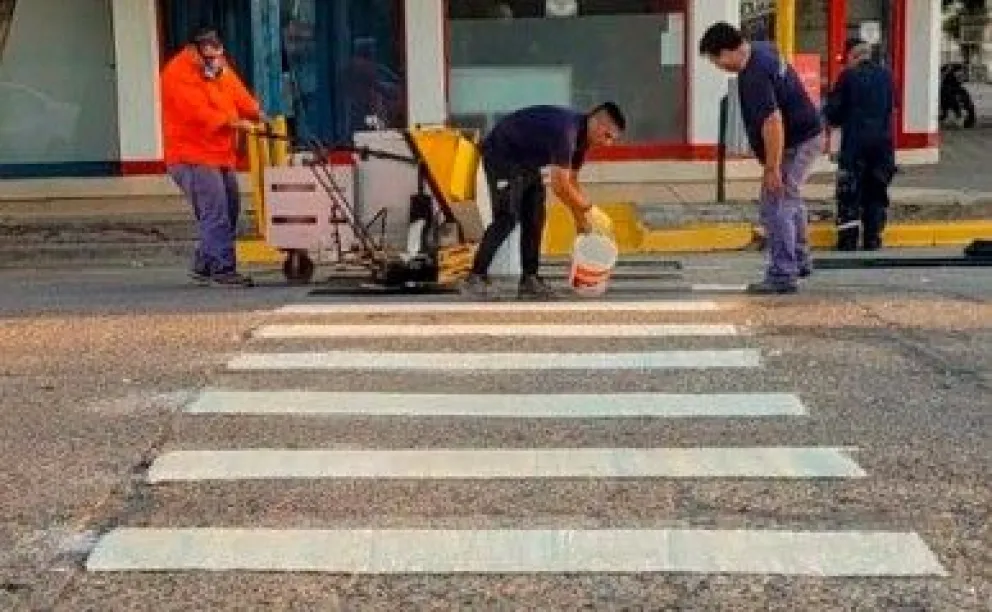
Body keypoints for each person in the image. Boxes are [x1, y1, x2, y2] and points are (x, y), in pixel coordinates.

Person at [699, 22, 824, 294]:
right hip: (807, 134)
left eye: (715, 61)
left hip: (796, 141)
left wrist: (772, 168)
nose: (719, 67)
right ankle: (799, 259)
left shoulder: (753, 75)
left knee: (775, 204)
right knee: (790, 199)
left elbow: (772, 122)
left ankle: (783, 273)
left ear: (726, 52)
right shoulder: (762, 50)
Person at [460, 102, 626, 300]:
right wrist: (589, 209)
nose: (608, 144)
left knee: (535, 216)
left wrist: (582, 222)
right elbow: (559, 186)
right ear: (596, 123)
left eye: (612, 139)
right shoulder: (566, 132)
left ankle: (529, 280)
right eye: (607, 136)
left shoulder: (582, 141)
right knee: (508, 217)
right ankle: (475, 277)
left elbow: (571, 182)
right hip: (501, 154)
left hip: (527, 162)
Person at [161, 29, 266, 287]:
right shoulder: (177, 75)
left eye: (218, 56)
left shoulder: (217, 66)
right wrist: (235, 123)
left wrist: (256, 112)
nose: (215, 62)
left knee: (230, 209)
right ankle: (223, 269)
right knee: (216, 213)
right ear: (193, 51)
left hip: (220, 153)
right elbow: (198, 113)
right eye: (209, 58)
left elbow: (236, 91)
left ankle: (204, 264)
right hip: (192, 157)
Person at [824, 38, 897, 251]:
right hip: (882, 146)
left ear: (851, 56)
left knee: (849, 193)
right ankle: (872, 238)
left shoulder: (847, 76)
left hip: (854, 146)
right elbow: (892, 107)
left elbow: (834, 113)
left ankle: (848, 241)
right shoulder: (886, 76)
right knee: (876, 191)